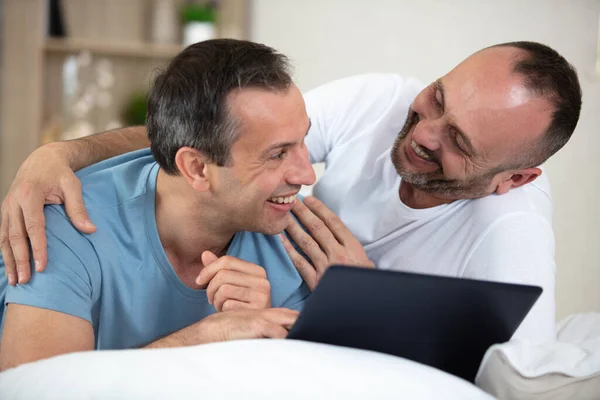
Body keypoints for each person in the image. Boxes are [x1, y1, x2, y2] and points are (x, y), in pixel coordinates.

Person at [1, 41, 582, 344]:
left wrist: (363, 304)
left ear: (513, 180)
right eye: (437, 98)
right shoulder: (64, 228)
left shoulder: (513, 239)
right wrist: (62, 152)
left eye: (457, 139)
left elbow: (513, 385)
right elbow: (213, 128)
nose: (309, 175)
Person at [0, 39, 376, 371]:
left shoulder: (299, 241)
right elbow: (37, 390)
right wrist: (200, 342)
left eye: (302, 141)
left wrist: (266, 347)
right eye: (277, 154)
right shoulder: (67, 227)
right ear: (196, 168)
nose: (307, 174)